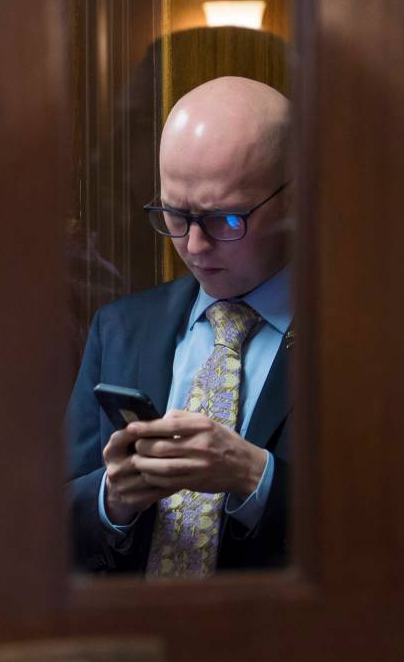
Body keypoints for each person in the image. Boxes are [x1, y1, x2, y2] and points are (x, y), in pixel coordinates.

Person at [66, 76, 293, 576]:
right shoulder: (121, 328)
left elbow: (394, 526)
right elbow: (47, 522)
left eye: (225, 220)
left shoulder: (365, 335)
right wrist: (112, 498)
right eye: (174, 214)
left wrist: (256, 478)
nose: (192, 246)